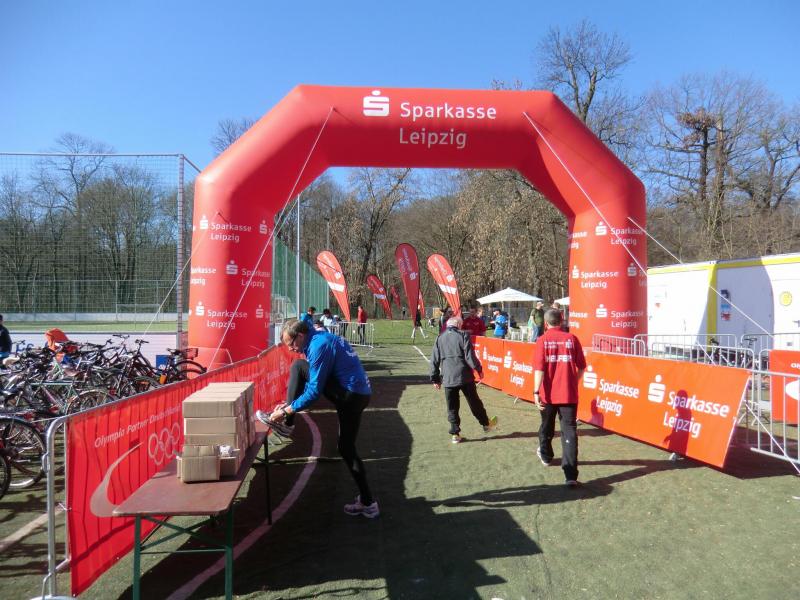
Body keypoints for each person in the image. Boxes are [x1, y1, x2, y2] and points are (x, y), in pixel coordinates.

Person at [255, 318, 379, 518]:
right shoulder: (319, 337)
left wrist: (287, 411)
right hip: (359, 394)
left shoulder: (318, 345)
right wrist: (289, 406)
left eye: (291, 343)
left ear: (300, 336)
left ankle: (287, 424)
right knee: (346, 448)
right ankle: (368, 502)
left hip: (351, 395)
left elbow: (314, 392)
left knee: (298, 366)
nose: (291, 349)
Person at [533, 308, 587, 487]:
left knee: (546, 426)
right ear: (562, 321)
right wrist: (573, 381)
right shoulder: (572, 339)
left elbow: (539, 369)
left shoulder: (542, 340)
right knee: (569, 431)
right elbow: (582, 367)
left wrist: (535, 392)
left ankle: (546, 456)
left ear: (545, 323)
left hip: (548, 395)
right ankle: (570, 475)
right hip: (568, 394)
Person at [430, 316, 497, 444]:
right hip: (464, 376)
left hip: (449, 378)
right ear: (459, 325)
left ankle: (455, 433)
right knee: (474, 402)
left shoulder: (440, 338)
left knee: (452, 407)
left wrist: (435, 379)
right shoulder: (463, 335)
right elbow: (470, 356)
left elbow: (434, 359)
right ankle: (485, 424)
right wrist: (479, 369)